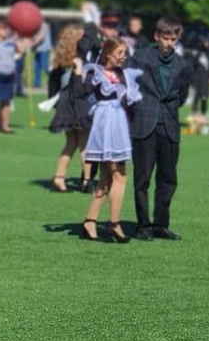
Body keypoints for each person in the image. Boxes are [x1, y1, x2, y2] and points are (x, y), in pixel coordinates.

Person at [128, 15, 193, 240]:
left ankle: (161, 224)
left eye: (173, 39)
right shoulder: (139, 57)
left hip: (170, 126)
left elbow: (182, 96)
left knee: (168, 179)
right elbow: (129, 87)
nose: (169, 43)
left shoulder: (184, 65)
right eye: (165, 38)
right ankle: (142, 225)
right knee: (142, 178)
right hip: (144, 123)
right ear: (156, 36)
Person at [79, 39, 141, 242]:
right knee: (120, 176)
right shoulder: (96, 73)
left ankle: (90, 221)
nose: (124, 56)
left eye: (125, 52)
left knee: (107, 180)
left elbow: (129, 101)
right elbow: (80, 92)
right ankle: (114, 224)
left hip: (119, 126)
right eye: (120, 52)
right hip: (106, 125)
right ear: (108, 53)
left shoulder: (123, 74)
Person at [47, 24, 93, 192]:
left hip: (65, 104)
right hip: (78, 104)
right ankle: (87, 181)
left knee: (71, 142)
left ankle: (59, 176)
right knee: (85, 144)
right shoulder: (79, 60)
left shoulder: (61, 61)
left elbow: (54, 87)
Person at [0, 19, 25, 133]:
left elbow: (22, 50)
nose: (5, 31)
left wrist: (16, 40)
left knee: (6, 101)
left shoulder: (11, 42)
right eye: (2, 28)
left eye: (6, 28)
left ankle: (4, 125)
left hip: (9, 75)